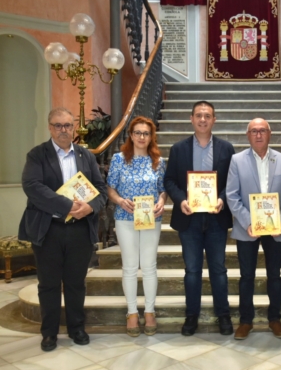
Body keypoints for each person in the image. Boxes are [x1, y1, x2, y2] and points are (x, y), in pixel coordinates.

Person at [18, 107, 107, 352]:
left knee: (76, 283)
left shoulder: (85, 156)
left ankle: (77, 328)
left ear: (74, 127)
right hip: (49, 229)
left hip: (79, 230)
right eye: (58, 125)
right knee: (48, 284)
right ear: (50, 127)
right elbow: (33, 186)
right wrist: (69, 206)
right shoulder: (37, 155)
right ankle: (49, 333)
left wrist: (89, 208)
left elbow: (99, 187)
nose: (63, 130)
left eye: (67, 125)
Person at [164, 101, 235, 336]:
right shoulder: (178, 149)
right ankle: (191, 316)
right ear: (191, 118)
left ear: (214, 119)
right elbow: (170, 181)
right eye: (198, 115)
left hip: (216, 218)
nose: (203, 119)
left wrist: (223, 199)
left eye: (207, 115)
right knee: (192, 270)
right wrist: (180, 199)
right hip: (189, 218)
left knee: (218, 269)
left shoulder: (227, 149)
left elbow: (231, 184)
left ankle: (223, 315)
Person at [226, 118, 281, 340]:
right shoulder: (236, 160)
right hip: (248, 228)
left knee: (275, 275)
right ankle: (246, 321)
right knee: (246, 276)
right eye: (254, 131)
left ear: (270, 133)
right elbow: (232, 195)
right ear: (248, 135)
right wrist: (247, 222)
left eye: (262, 130)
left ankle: (275, 319)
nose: (258, 134)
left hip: (276, 228)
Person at [107, 116, 167, 337]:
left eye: (146, 133)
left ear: (151, 137)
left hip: (151, 218)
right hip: (125, 217)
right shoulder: (118, 159)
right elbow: (110, 188)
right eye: (138, 133)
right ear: (131, 135)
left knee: (149, 265)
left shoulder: (159, 161)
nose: (142, 137)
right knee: (130, 266)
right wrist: (120, 200)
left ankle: (149, 311)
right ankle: (132, 312)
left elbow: (163, 189)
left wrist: (162, 201)